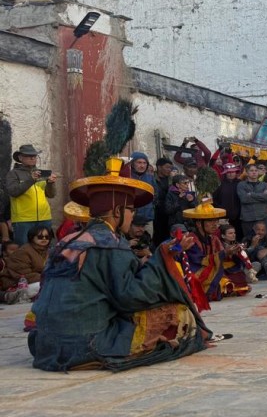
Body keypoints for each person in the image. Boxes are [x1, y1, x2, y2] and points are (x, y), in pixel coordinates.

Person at [28, 156, 217, 372]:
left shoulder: (64, 242)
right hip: (83, 341)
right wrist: (162, 257)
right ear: (117, 212)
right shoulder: (110, 244)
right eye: (131, 211)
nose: (133, 216)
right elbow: (131, 297)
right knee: (180, 315)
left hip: (46, 343)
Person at [183, 197, 236, 301]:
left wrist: (233, 253)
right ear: (198, 224)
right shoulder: (190, 239)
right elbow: (199, 261)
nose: (215, 224)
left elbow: (222, 258)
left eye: (216, 221)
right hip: (194, 272)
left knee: (236, 276)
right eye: (210, 221)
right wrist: (224, 253)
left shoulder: (214, 238)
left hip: (210, 271)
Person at [6, 144, 58, 245]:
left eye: (34, 156)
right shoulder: (13, 174)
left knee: (46, 249)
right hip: (23, 220)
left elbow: (51, 195)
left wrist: (50, 184)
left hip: (44, 218)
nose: (33, 158)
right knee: (23, 250)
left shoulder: (41, 173)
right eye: (29, 156)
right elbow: (13, 192)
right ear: (21, 158)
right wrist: (31, 180)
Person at [0, 224, 50, 294]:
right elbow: (24, 275)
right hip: (17, 283)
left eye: (47, 237)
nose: (44, 239)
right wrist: (48, 277)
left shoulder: (47, 251)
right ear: (32, 237)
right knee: (46, 286)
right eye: (40, 237)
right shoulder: (24, 251)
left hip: (37, 280)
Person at [121, 151, 156, 233]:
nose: (142, 165)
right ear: (132, 164)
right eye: (139, 162)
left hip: (147, 219)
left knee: (147, 241)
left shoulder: (150, 178)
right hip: (131, 219)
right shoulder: (127, 177)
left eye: (144, 163)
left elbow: (155, 194)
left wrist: (150, 206)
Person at [238, 163, 267, 239]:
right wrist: (261, 196)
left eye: (256, 170)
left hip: (262, 217)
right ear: (247, 173)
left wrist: (251, 194)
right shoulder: (241, 185)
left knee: (264, 240)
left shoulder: (264, 185)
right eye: (251, 171)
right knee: (248, 241)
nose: (254, 172)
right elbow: (244, 199)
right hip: (248, 219)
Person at [218, 224, 253, 296]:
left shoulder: (236, 245)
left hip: (233, 268)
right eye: (230, 233)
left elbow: (243, 258)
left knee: (243, 283)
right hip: (222, 269)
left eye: (234, 233)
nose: (233, 235)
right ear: (223, 236)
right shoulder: (219, 245)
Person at [213, 162, 242, 237]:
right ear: (225, 173)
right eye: (228, 172)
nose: (230, 174)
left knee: (238, 235)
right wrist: (221, 209)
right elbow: (214, 199)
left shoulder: (241, 184)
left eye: (232, 172)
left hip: (239, 216)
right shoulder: (219, 184)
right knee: (225, 236)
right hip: (224, 217)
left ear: (236, 172)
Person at [152, 157, 175, 247]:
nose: (169, 170)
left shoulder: (171, 180)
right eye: (167, 167)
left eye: (170, 168)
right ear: (159, 167)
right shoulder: (152, 179)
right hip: (156, 213)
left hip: (168, 214)